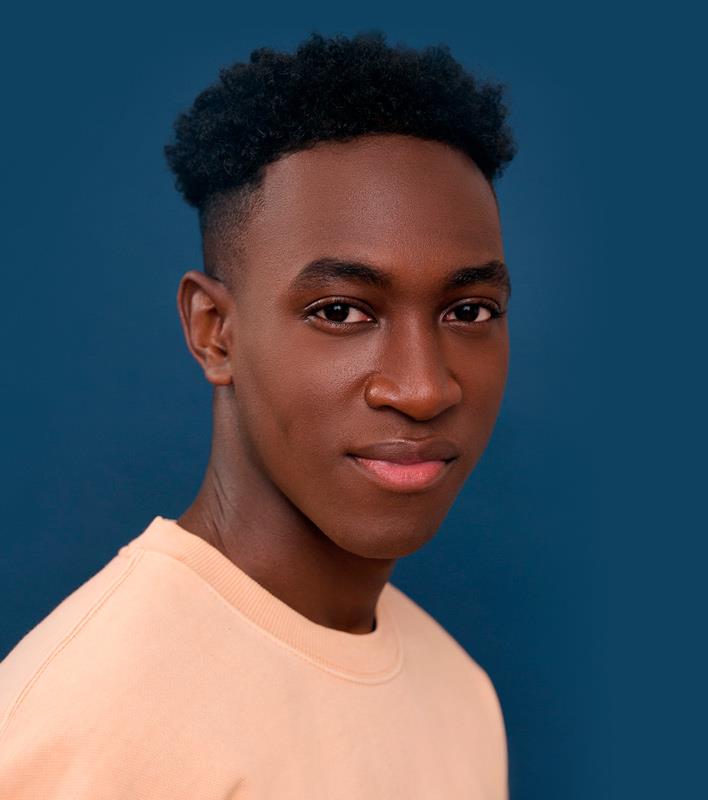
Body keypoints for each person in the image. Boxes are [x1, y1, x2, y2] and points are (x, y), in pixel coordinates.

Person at [0, 31, 516, 798]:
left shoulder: (460, 692)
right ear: (215, 332)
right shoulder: (94, 724)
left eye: (469, 310)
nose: (422, 389)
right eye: (340, 311)